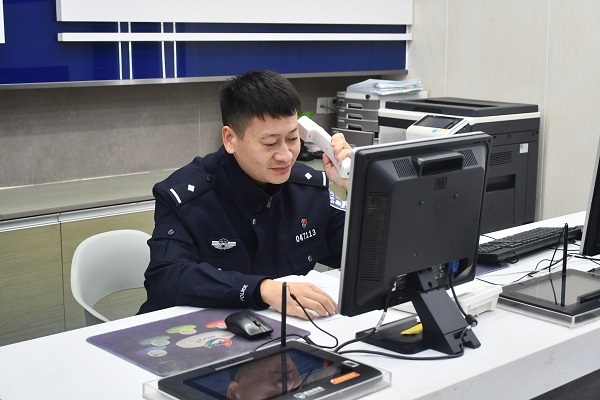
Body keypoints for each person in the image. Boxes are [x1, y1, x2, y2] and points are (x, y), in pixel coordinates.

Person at [138, 70, 352, 319]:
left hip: (286, 331)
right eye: (270, 143)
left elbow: (365, 256)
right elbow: (165, 279)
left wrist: (355, 185)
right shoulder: (186, 197)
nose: (285, 155)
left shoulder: (308, 189)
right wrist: (262, 290)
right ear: (230, 139)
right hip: (200, 331)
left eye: (293, 138)